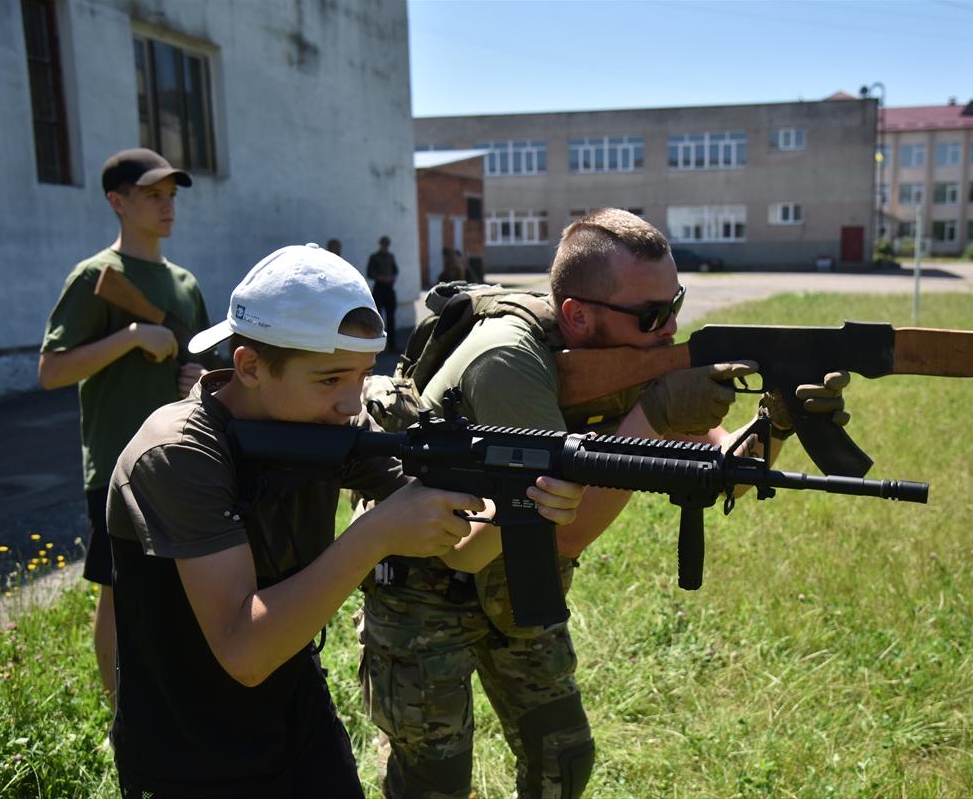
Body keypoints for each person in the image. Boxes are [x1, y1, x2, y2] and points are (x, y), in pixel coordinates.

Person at [356, 208, 850, 798]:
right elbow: (563, 531)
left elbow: (725, 473)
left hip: (518, 581)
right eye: (651, 315)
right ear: (577, 315)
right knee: (432, 781)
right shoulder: (507, 360)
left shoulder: (631, 353)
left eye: (676, 305)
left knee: (562, 758)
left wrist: (777, 423)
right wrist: (654, 416)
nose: (669, 329)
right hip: (427, 578)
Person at [105, 242, 585, 797]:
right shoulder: (179, 454)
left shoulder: (327, 429)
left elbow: (459, 550)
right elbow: (244, 652)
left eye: (361, 376)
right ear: (249, 365)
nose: (350, 403)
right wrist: (374, 535)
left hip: (295, 717)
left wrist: (521, 507)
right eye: (329, 379)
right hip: (188, 750)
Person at [37, 147, 222, 701]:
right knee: (119, 592)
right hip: (118, 465)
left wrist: (197, 379)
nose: (168, 207)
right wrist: (132, 337)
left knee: (187, 586)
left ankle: (177, 699)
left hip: (182, 458)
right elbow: (51, 369)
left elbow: (207, 365)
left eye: (171, 196)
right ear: (117, 202)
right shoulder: (96, 276)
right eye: (152, 196)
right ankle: (122, 715)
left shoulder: (184, 283)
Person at [366, 235, 399, 351]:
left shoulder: (391, 256)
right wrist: (380, 278)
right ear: (380, 244)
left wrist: (392, 278)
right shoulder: (374, 257)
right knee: (378, 318)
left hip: (389, 289)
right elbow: (370, 273)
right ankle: (376, 345)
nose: (385, 246)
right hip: (379, 289)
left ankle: (392, 345)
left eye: (386, 244)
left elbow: (395, 270)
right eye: (383, 244)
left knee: (391, 318)